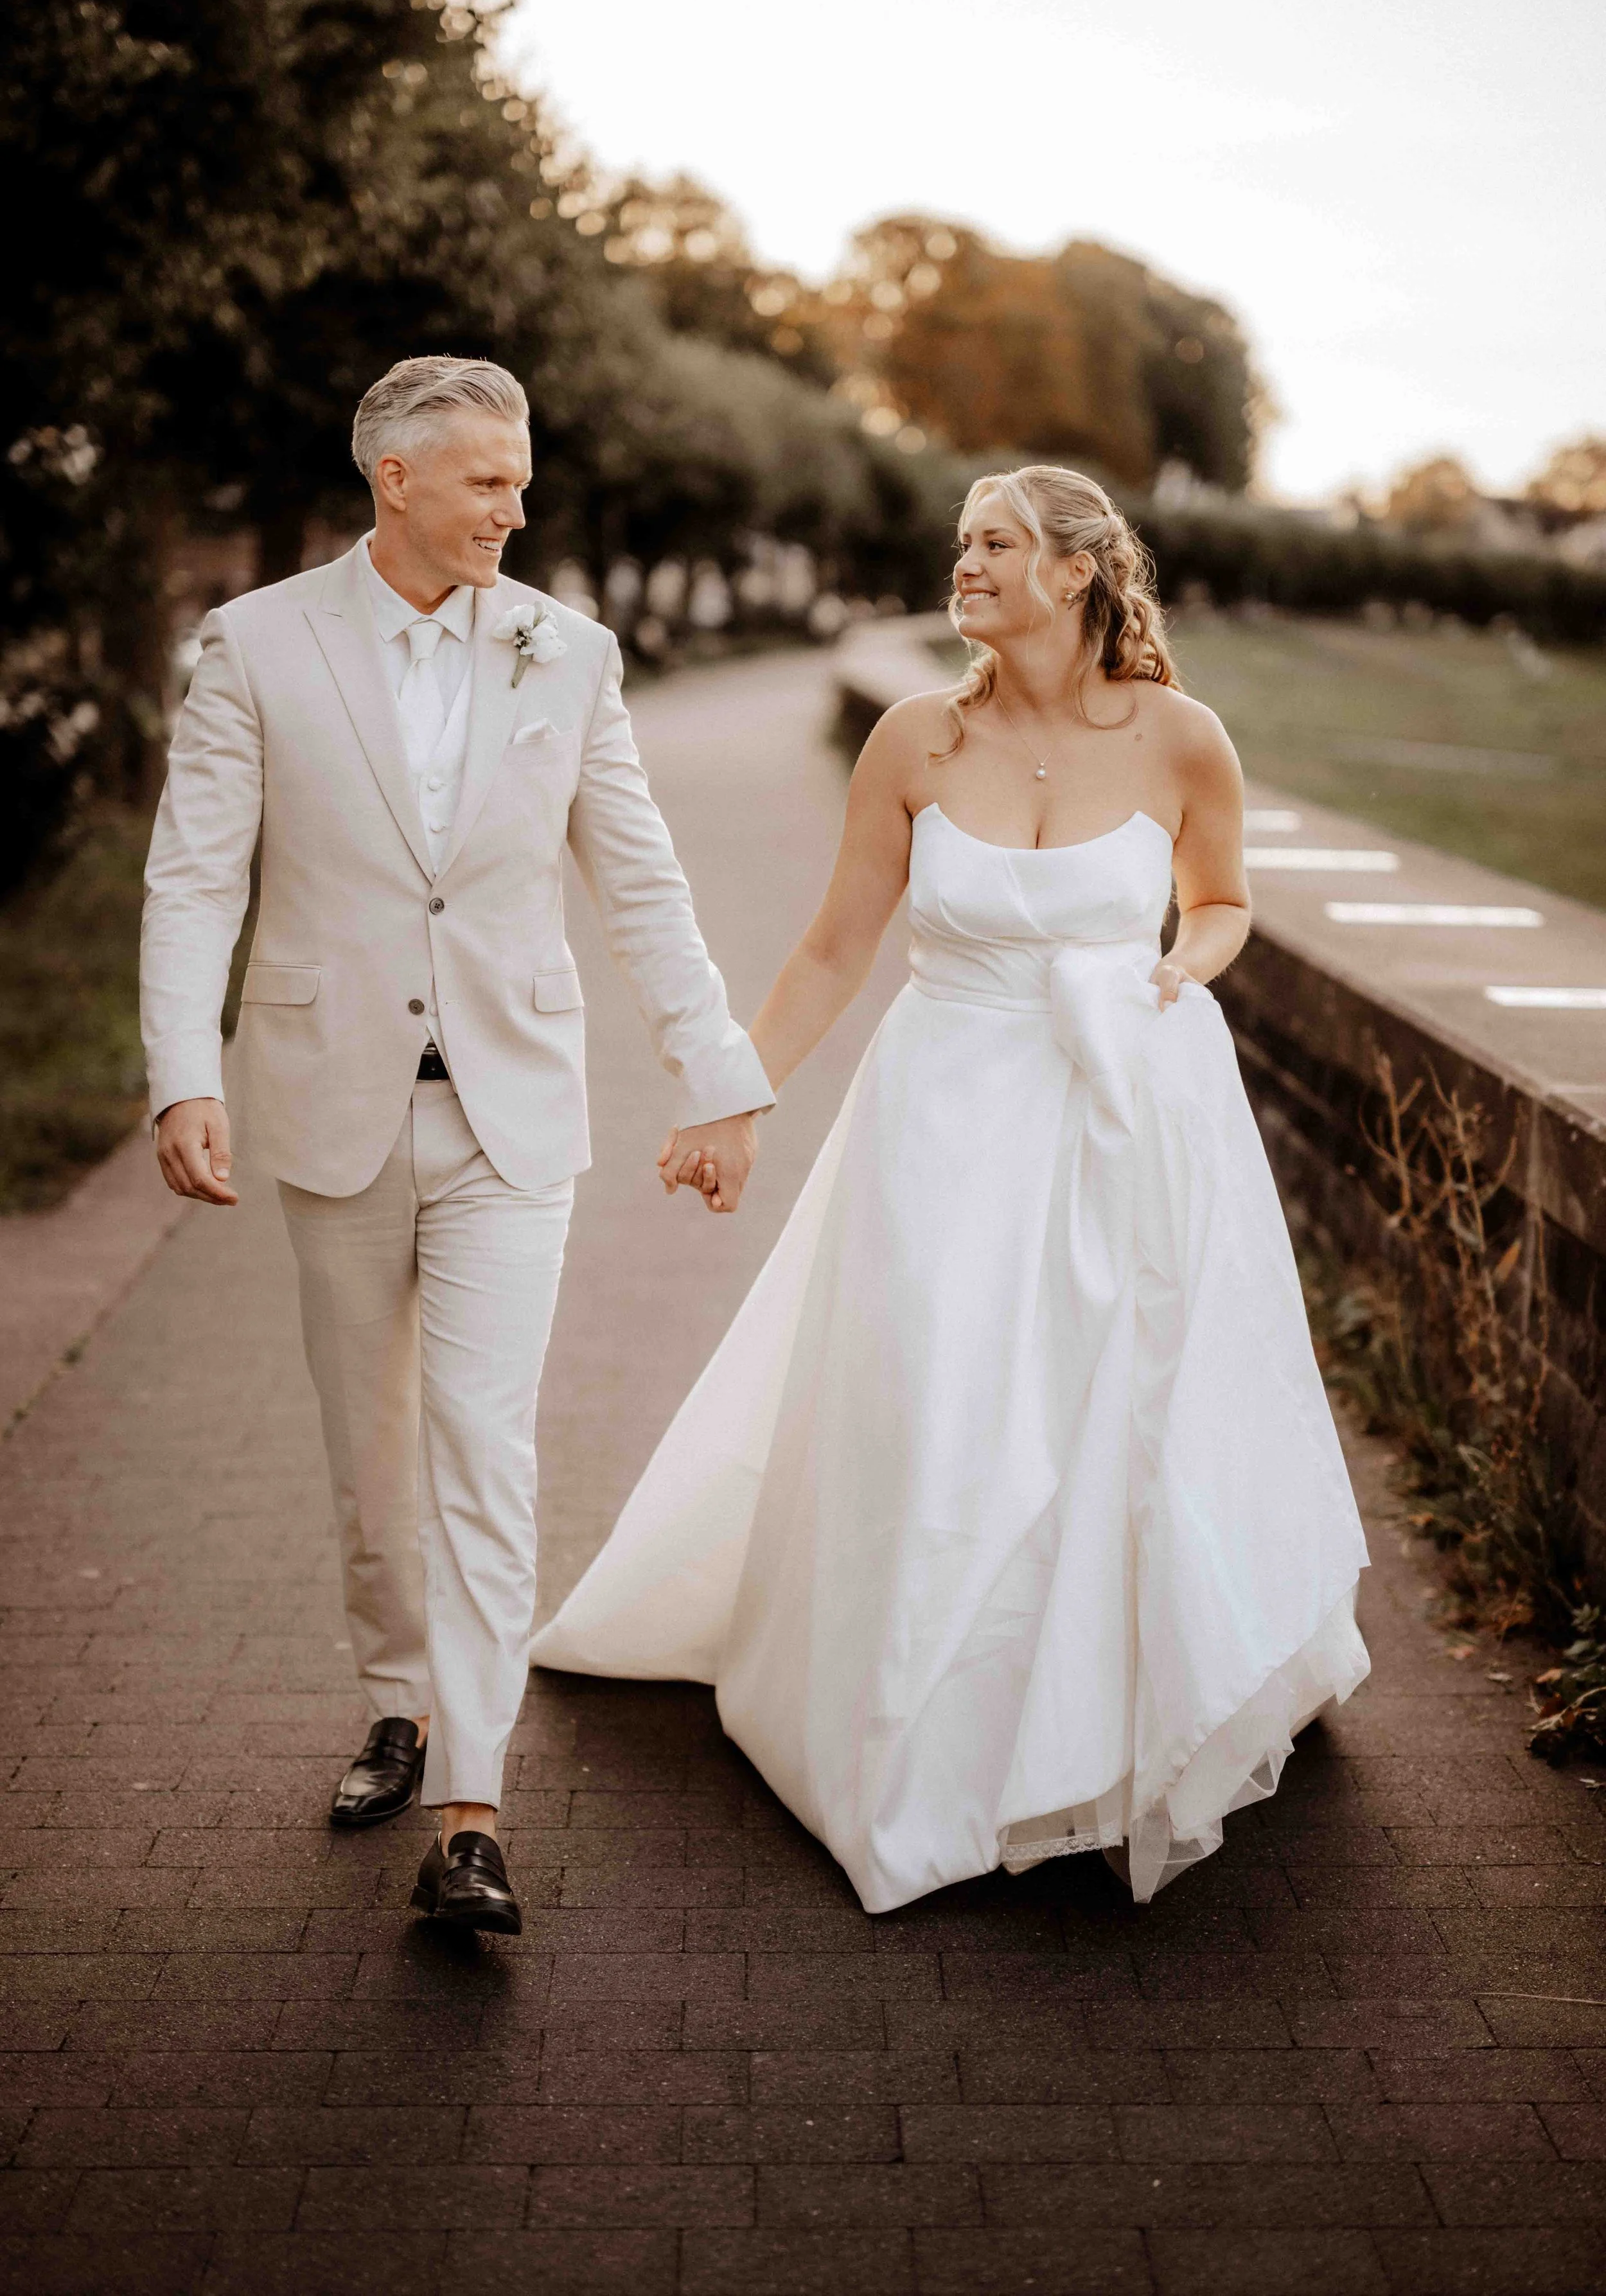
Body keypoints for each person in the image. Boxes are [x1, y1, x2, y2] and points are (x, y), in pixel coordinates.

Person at [533, 463, 1370, 1911]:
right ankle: (917, 1718)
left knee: (1109, 1396)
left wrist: (1183, 964)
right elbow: (832, 950)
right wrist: (733, 1095)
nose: (964, 563)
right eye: (962, 541)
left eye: (994, 543)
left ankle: (1095, 1711)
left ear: (1075, 572)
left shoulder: (1182, 738)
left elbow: (1222, 900)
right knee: (938, 1386)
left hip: (1123, 1105)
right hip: (941, 1110)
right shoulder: (916, 739)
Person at [139, 355, 770, 1934]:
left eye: (523, 477)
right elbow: (194, 879)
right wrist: (178, 1076)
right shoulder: (258, 642)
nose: (516, 505)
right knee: (371, 1450)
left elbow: (639, 882)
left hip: (513, 1113)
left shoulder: (570, 654)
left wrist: (715, 1072)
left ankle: (471, 1810)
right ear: (396, 480)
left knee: (485, 1448)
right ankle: (396, 1702)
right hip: (326, 1099)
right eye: (489, 479)